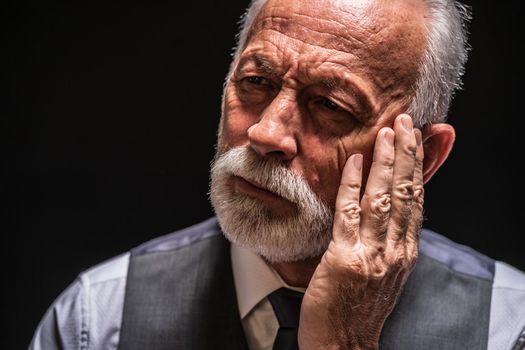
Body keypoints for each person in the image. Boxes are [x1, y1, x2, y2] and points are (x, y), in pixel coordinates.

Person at [29, 0, 525, 349]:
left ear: (426, 157)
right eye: (256, 82)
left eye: (330, 106)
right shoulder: (96, 321)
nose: (266, 132)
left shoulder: (506, 330)